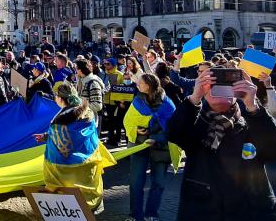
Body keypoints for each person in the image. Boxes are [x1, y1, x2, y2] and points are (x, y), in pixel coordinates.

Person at [168, 68, 276, 221]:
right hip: (203, 209)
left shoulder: (251, 119)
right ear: (204, 91)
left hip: (251, 210)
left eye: (227, 86)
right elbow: (173, 134)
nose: (220, 90)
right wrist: (194, 98)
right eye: (214, 86)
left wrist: (253, 106)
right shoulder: (197, 121)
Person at [36, 82, 115, 214]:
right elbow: (76, 135)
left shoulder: (60, 121)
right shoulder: (87, 112)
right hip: (88, 162)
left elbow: (62, 137)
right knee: (86, 195)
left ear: (61, 99)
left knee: (67, 198)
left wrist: (48, 136)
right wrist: (46, 136)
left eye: (56, 96)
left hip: (62, 167)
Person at [124, 73, 176, 221]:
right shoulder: (137, 101)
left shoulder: (168, 105)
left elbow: (173, 130)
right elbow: (128, 121)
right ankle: (135, 215)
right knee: (135, 182)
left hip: (161, 147)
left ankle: (151, 214)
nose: (137, 85)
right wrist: (136, 130)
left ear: (149, 86)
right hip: (139, 145)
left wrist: (156, 138)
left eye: (140, 83)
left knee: (158, 183)